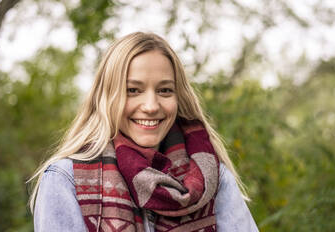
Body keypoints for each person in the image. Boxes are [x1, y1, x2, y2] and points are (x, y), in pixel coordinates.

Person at [29, 32, 259, 232]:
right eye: (133, 90)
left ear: (179, 97)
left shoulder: (210, 176)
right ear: (106, 97)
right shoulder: (65, 180)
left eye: (165, 90)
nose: (151, 106)